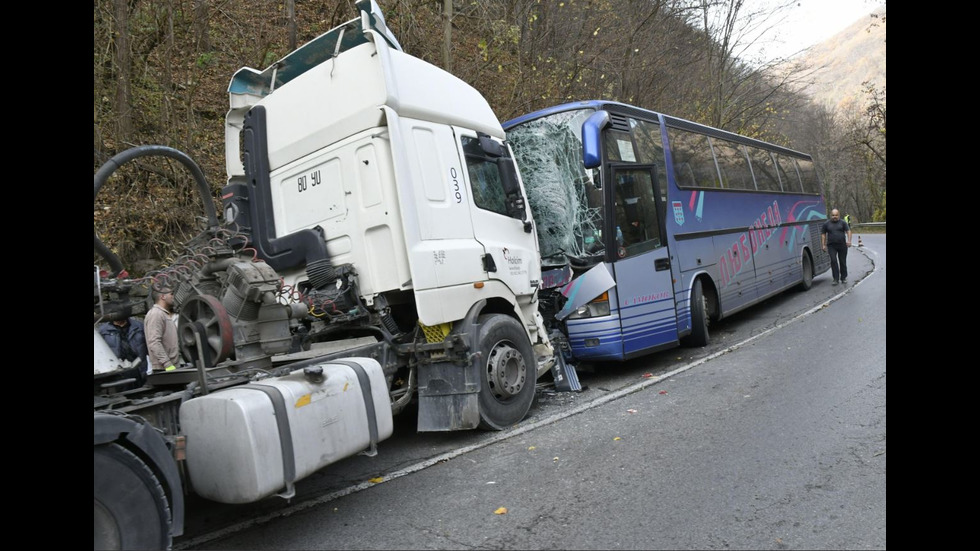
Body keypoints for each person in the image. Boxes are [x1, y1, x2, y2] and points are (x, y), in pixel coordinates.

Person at [145, 285, 181, 372]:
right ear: (163, 296)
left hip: (171, 366)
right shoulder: (156, 314)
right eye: (171, 294)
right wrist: (167, 364)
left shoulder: (163, 314)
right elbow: (154, 342)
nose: (173, 297)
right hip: (164, 368)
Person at [821, 208, 852, 285]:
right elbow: (823, 234)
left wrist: (849, 241)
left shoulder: (843, 223)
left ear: (839, 215)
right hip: (832, 246)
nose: (834, 216)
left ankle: (843, 278)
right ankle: (835, 279)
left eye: (836, 215)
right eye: (833, 215)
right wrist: (823, 244)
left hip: (842, 245)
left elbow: (848, 231)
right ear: (831, 215)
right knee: (833, 261)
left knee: (842, 261)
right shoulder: (826, 224)